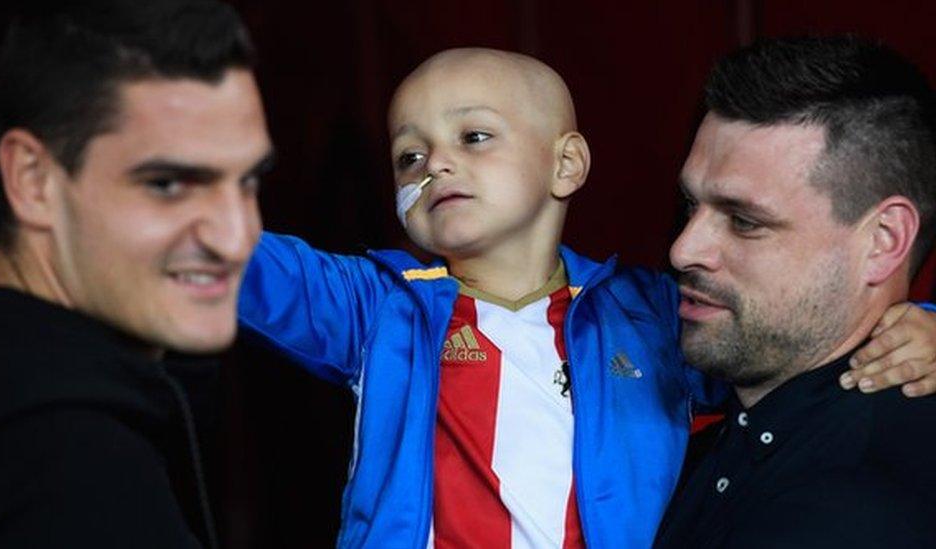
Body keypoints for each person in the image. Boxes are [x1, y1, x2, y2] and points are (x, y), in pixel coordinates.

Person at [240, 47, 936, 547]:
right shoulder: (379, 307)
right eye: (408, 157)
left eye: (474, 136)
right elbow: (235, 259)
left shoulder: (644, 316)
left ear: (566, 163)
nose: (437, 164)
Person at [0, 1, 273, 547]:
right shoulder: (65, 475)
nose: (236, 237)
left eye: (247, 182)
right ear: (33, 180)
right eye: (168, 185)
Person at [655, 36, 936, 548]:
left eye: (743, 221)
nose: (683, 249)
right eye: (690, 207)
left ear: (884, 241)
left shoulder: (874, 497)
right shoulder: (680, 430)